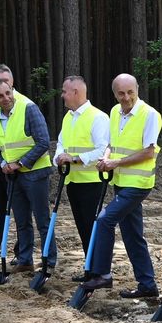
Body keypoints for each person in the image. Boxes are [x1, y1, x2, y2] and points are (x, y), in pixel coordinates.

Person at [81, 74, 162, 298]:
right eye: (121, 93)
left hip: (138, 183)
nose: (126, 98)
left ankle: (103, 274)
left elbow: (148, 151)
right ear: (115, 94)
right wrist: (105, 159)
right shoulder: (115, 112)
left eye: (130, 92)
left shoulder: (150, 115)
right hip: (120, 182)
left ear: (137, 89)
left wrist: (115, 162)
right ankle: (147, 285)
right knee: (132, 235)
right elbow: (110, 144)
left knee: (104, 220)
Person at [0, 78, 55, 274]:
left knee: (42, 219)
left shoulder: (29, 108)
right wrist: (2, 163)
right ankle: (25, 260)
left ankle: (49, 259)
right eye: (0, 95)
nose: (6, 98)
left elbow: (43, 142)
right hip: (12, 176)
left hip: (35, 174)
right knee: (21, 220)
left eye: (8, 93)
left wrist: (20, 163)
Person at [53, 75, 110, 276]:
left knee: (92, 227)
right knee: (82, 228)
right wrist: (59, 156)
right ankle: (90, 267)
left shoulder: (98, 117)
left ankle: (98, 269)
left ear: (75, 92)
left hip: (91, 183)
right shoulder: (68, 117)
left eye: (64, 91)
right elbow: (61, 143)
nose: (62, 96)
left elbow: (102, 150)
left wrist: (74, 158)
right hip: (73, 182)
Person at [0, 64, 34, 264]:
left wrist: (17, 162)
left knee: (20, 214)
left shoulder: (25, 104)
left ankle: (22, 254)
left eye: (6, 81)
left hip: (19, 168)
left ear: (12, 82)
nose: (2, 86)